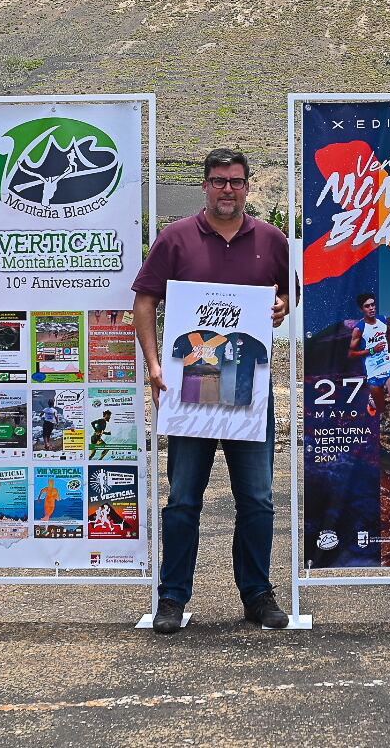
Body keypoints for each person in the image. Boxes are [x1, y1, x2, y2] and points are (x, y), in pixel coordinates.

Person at [133, 148, 291, 634]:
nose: (228, 189)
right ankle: (173, 597)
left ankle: (257, 594)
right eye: (219, 181)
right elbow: (144, 301)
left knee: (258, 500)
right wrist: (156, 365)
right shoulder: (176, 237)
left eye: (237, 181)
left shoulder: (271, 239)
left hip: (247, 388)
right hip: (191, 388)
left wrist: (282, 306)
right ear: (205, 185)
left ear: (248, 186)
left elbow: (287, 294)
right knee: (183, 499)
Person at [349, 292, 390, 455]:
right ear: (362, 309)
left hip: (388, 367)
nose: (372, 308)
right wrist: (372, 350)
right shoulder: (359, 329)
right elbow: (351, 354)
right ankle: (372, 403)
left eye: (373, 304)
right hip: (373, 372)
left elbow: (387, 331)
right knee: (380, 407)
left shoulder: (382, 319)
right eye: (367, 306)